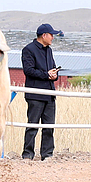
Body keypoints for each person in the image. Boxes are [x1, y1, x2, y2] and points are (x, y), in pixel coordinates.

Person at [20, 24, 62, 161]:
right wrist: (46, 74)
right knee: (32, 126)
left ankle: (47, 154)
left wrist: (55, 75)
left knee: (49, 127)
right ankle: (28, 155)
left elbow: (52, 68)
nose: (53, 38)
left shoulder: (49, 51)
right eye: (51, 35)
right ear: (44, 35)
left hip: (49, 94)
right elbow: (28, 70)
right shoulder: (28, 50)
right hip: (35, 94)